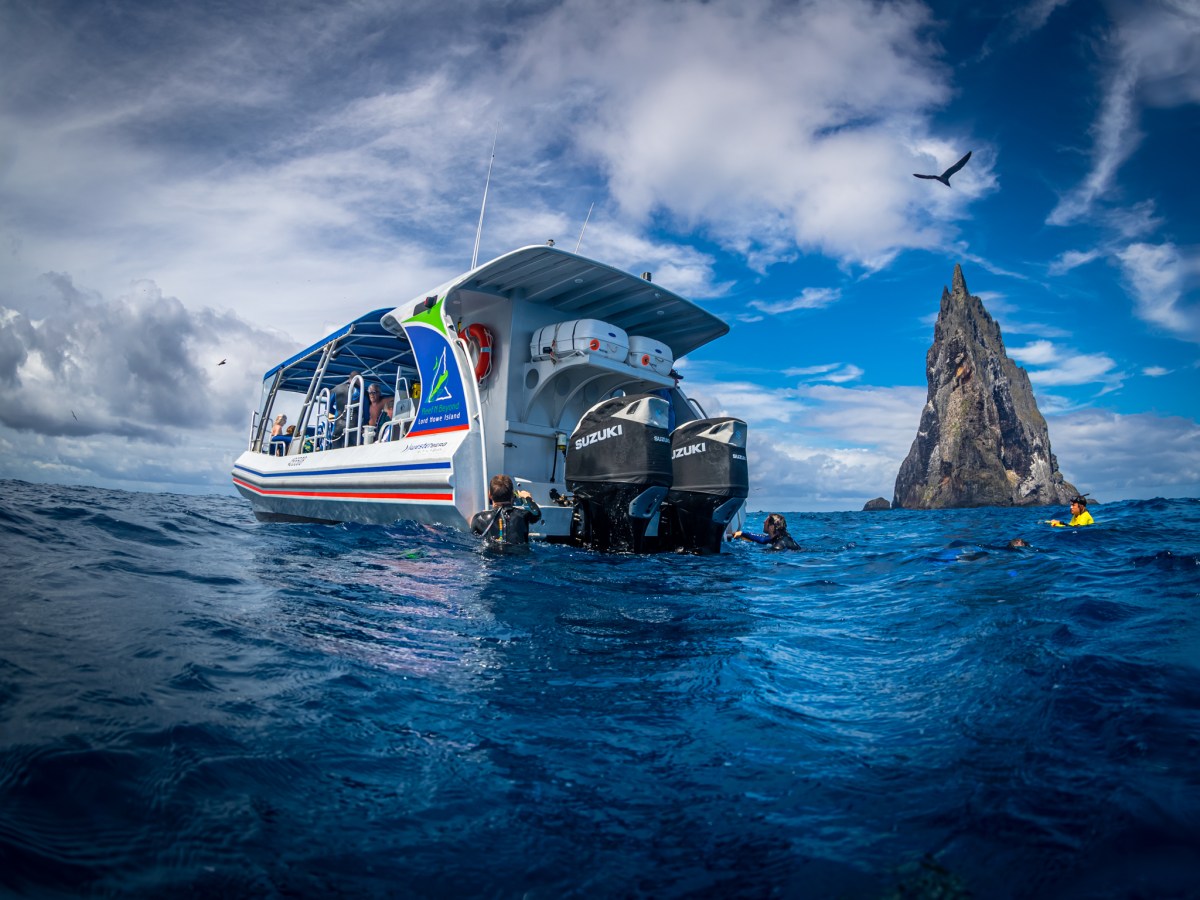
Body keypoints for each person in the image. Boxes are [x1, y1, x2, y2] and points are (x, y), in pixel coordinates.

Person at [471, 474, 542, 548]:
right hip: (518, 553)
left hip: (491, 553)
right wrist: (528, 498)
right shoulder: (523, 515)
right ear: (512, 495)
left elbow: (473, 538)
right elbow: (537, 514)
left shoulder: (479, 518)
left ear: (489, 495)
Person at [732, 513, 801, 550]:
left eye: (766, 521)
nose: (764, 522)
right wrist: (742, 533)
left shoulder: (778, 545)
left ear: (772, 526)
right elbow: (762, 538)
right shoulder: (776, 537)